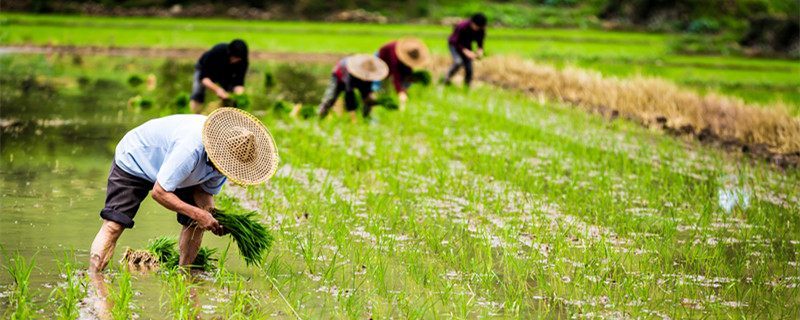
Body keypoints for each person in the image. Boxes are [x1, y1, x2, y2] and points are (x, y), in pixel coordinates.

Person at [87, 107, 279, 275]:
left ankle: (184, 277)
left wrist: (212, 216)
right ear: (217, 152)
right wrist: (198, 214)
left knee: (195, 224)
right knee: (114, 225)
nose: (226, 171)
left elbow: (203, 192)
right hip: (137, 159)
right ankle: (94, 281)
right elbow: (159, 192)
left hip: (178, 170)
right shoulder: (190, 148)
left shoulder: (228, 163)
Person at [317, 54, 389, 124]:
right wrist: (353, 118)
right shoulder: (351, 73)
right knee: (331, 98)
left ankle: (366, 119)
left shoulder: (369, 76)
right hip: (339, 75)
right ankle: (319, 118)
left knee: (367, 99)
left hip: (355, 78)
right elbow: (349, 95)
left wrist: (373, 100)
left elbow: (367, 92)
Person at [190, 39, 249, 114]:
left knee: (230, 97)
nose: (236, 61)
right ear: (229, 53)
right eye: (234, 58)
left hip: (226, 73)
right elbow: (204, 78)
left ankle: (223, 117)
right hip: (206, 70)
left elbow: (239, 82)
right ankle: (196, 116)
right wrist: (217, 90)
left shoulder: (243, 60)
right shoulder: (217, 52)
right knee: (198, 94)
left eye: (239, 59)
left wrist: (238, 96)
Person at [374, 37, 430, 111]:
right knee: (380, 86)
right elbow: (395, 75)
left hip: (395, 63)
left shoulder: (408, 55)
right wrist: (400, 91)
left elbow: (408, 70)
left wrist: (406, 85)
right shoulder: (395, 56)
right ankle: (379, 103)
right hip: (381, 59)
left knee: (404, 82)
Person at [443, 13, 487, 88]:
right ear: (472, 23)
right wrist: (466, 51)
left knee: (469, 67)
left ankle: (467, 86)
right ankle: (445, 80)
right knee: (458, 62)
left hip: (467, 45)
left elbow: (480, 41)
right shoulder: (462, 26)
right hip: (454, 45)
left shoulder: (481, 29)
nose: (477, 29)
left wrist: (480, 50)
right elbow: (455, 42)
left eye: (479, 27)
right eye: (476, 26)